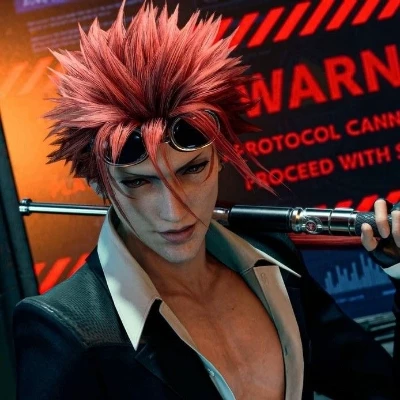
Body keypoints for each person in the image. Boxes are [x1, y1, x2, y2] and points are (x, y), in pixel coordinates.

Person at [12, 1, 399, 399]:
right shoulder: (67, 328)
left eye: (191, 169)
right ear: (99, 184)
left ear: (220, 157)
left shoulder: (272, 260)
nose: (174, 210)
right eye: (139, 183)